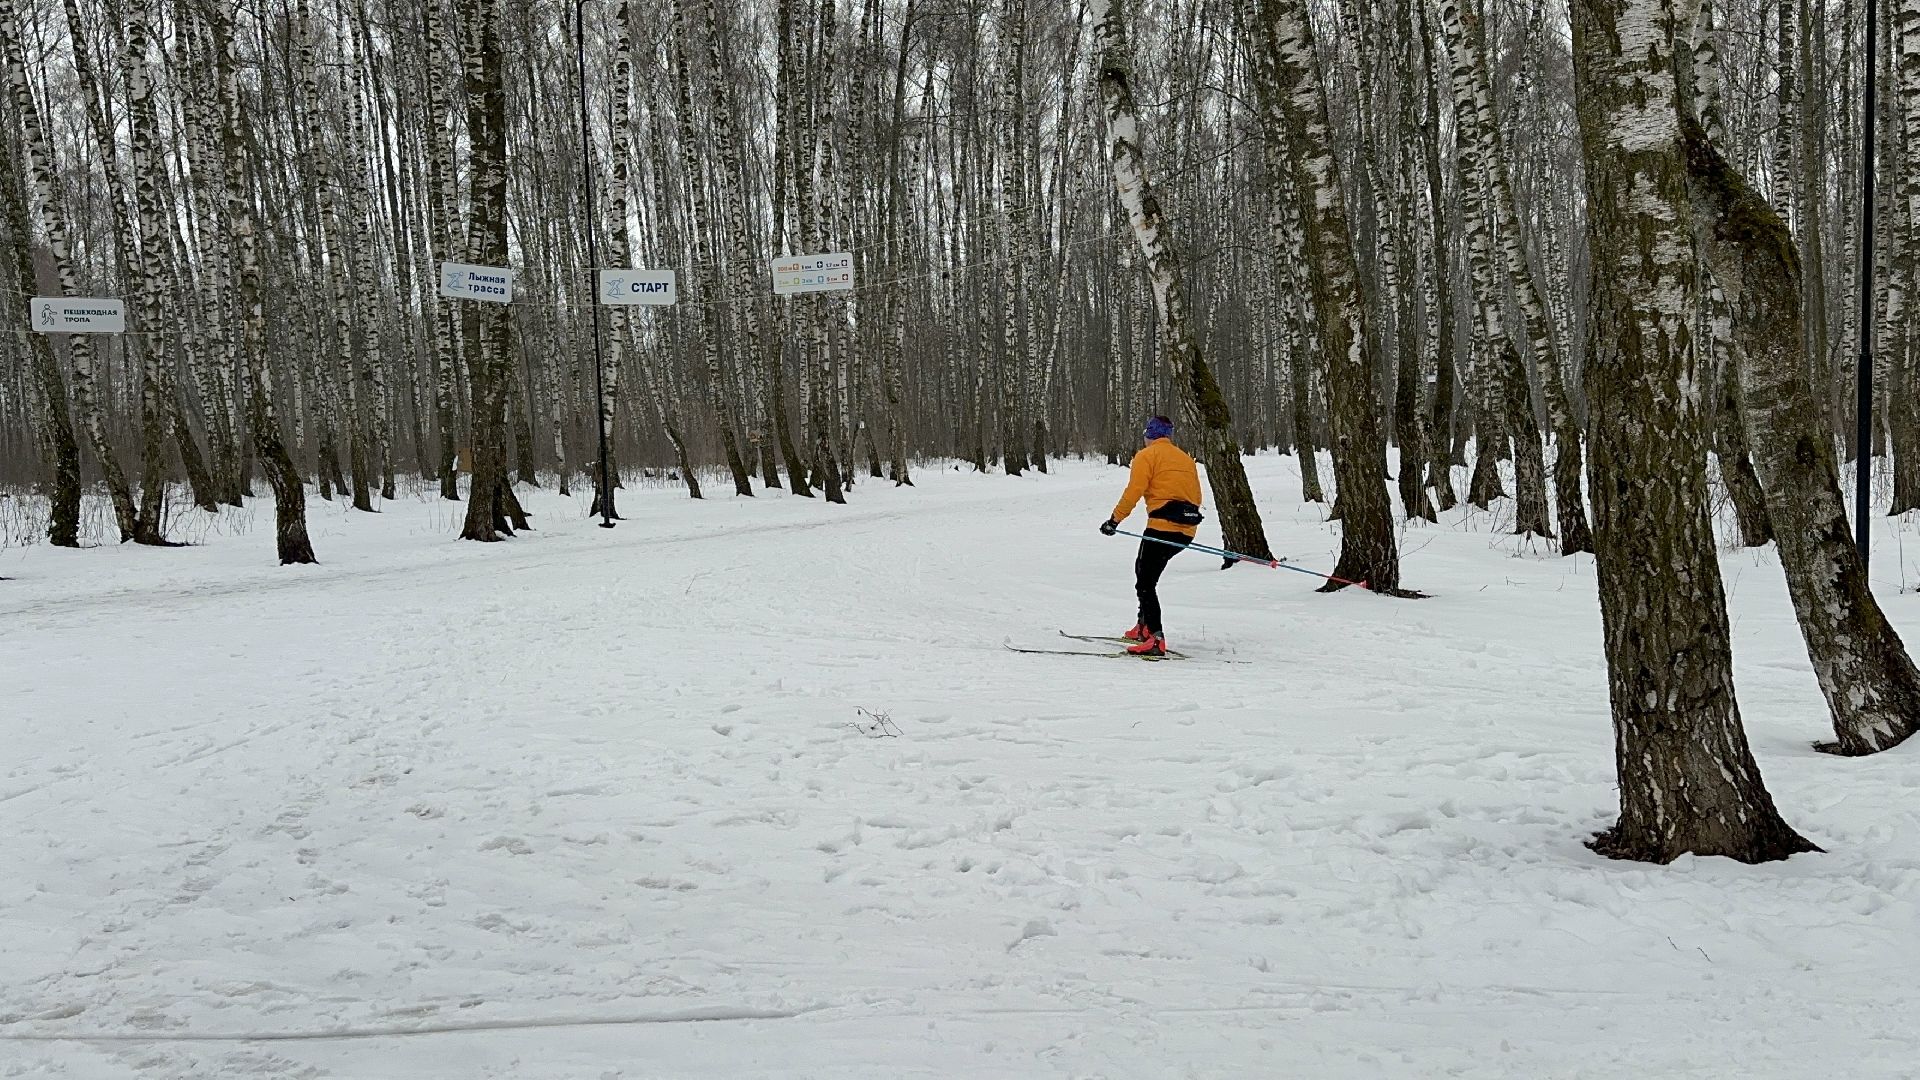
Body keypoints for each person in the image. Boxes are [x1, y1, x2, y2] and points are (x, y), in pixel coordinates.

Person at [1099, 415, 1204, 657]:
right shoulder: (1186, 458)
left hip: (1160, 528)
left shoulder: (1146, 456)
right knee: (1144, 572)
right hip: (1186, 531)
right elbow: (1196, 497)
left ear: (1149, 435)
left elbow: (1133, 491)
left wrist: (1114, 520)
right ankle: (1143, 627)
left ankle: (1156, 638)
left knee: (1145, 582)